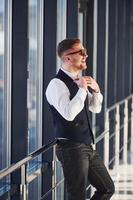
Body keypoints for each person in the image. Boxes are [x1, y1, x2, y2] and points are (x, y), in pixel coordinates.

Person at [45, 38, 115, 200]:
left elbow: (95, 108)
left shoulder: (78, 81)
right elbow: (69, 114)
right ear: (67, 58)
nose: (86, 55)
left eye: (85, 52)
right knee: (77, 195)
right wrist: (82, 89)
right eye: (81, 52)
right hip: (71, 147)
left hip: (87, 146)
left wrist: (96, 91)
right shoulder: (56, 84)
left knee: (107, 188)